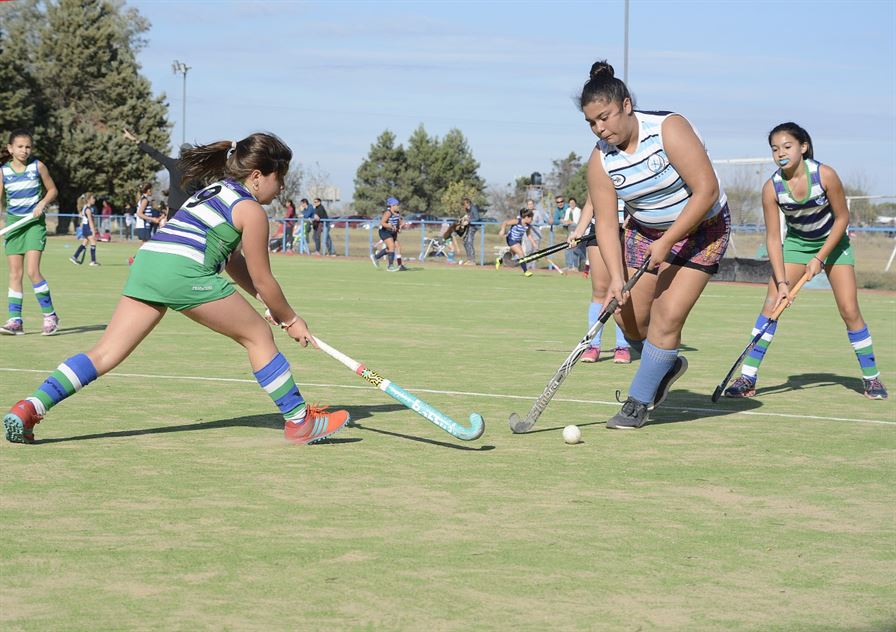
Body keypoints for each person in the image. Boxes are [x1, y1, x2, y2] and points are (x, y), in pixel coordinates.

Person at [3, 132, 350, 445]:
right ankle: (299, 420)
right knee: (258, 335)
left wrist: (271, 304)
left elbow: (233, 263)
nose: (283, 188)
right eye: (281, 178)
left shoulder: (213, 192)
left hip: (149, 263)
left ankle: (30, 406)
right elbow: (263, 278)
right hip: (183, 271)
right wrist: (290, 319)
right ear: (257, 176)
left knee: (105, 352)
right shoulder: (251, 211)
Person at [579, 60, 731, 429]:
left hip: (702, 231)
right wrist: (616, 278)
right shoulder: (600, 161)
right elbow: (607, 224)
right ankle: (666, 363)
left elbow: (706, 190)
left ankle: (638, 403)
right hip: (645, 234)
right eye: (592, 123)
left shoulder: (668, 129)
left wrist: (669, 241)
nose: (601, 128)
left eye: (606, 117)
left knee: (666, 316)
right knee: (627, 317)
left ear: (626, 105)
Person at [724, 122, 887, 400]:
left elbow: (843, 218)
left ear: (803, 147)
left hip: (834, 245)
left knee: (849, 310)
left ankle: (872, 379)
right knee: (772, 305)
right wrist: (783, 282)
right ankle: (747, 378)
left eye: (787, 146)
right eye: (775, 149)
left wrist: (821, 258)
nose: (780, 153)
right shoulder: (771, 188)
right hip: (797, 246)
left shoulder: (825, 175)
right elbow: (774, 239)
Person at [0, 129, 60, 336]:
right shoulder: (3, 172)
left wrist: (43, 203)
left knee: (32, 271)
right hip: (14, 225)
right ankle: (16, 321)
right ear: (10, 148)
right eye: (20, 146)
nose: (24, 150)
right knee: (14, 273)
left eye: (28, 147)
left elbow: (52, 190)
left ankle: (50, 316)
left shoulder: (38, 166)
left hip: (34, 224)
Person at [570, 197, 632, 364]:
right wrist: (578, 231)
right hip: (600, 230)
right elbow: (591, 202)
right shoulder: (600, 171)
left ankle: (622, 346)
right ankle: (592, 345)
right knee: (600, 290)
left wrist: (633, 217)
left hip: (630, 231)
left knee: (622, 290)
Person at [123, 128, 197, 211]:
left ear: (180, 153)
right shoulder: (195, 169)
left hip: (174, 208)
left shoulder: (173, 164)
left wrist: (136, 141)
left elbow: (155, 153)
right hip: (190, 209)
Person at [497, 208, 538, 277]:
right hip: (511, 239)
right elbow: (505, 223)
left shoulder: (528, 226)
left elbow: (529, 235)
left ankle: (500, 260)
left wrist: (534, 243)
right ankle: (526, 271)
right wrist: (502, 230)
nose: (532, 220)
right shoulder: (517, 221)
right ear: (526, 217)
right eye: (531, 218)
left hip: (518, 241)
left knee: (511, 254)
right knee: (521, 254)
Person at [371, 197, 407, 271]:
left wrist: (400, 226)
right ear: (391, 206)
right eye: (396, 205)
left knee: (396, 247)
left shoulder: (397, 213)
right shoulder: (388, 213)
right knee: (392, 246)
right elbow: (382, 223)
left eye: (398, 205)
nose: (398, 206)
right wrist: (390, 226)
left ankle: (376, 257)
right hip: (385, 232)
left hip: (393, 233)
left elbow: (398, 222)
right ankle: (390, 266)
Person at [70, 191, 100, 266]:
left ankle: (74, 257)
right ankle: (93, 261)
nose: (94, 199)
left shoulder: (85, 208)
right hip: (87, 228)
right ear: (88, 199)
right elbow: (90, 221)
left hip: (85, 228)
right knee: (93, 242)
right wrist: (93, 231)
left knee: (85, 243)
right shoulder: (88, 209)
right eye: (93, 198)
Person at [461, 197, 480, 265]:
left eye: (464, 204)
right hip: (470, 226)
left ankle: (472, 261)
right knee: (465, 242)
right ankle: (469, 259)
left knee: (469, 242)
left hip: (474, 227)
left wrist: (468, 221)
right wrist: (465, 218)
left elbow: (477, 218)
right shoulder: (468, 209)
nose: (463, 206)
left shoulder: (473, 208)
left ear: (467, 203)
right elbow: (469, 216)